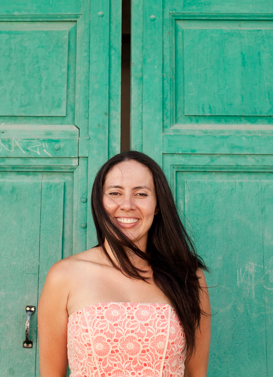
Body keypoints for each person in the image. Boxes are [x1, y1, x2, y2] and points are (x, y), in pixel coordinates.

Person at [38, 151, 210, 376]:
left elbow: (196, 374)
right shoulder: (64, 276)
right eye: (115, 193)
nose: (127, 205)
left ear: (158, 205)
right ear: (99, 202)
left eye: (141, 193)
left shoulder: (188, 277)